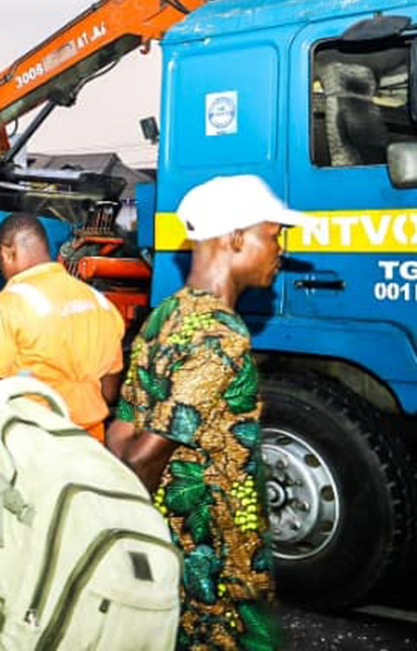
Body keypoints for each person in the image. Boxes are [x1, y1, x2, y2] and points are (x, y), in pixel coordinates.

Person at [108, 175, 300, 650]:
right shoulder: (221, 334)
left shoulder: (166, 312)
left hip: (173, 547)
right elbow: (143, 458)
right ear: (235, 237)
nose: (281, 251)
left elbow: (120, 435)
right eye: (274, 236)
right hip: (214, 560)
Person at [0, 213, 126, 440]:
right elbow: (109, 392)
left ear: (7, 253)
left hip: (34, 446)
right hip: (91, 448)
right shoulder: (100, 303)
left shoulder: (6, 306)